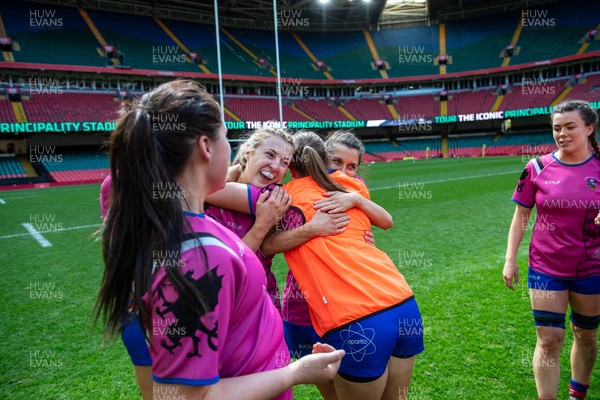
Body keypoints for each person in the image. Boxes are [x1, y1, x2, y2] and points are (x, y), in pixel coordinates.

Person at [94, 79, 344, 400]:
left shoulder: (172, 219)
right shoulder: (199, 255)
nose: (233, 152)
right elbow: (187, 397)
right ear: (206, 147)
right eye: (227, 138)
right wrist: (296, 372)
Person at [264, 131, 423, 400]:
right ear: (320, 156)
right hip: (399, 301)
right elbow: (382, 222)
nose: (344, 172)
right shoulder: (352, 187)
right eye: (337, 162)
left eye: (352, 166)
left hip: (351, 314)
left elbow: (266, 244)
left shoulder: (291, 196)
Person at [503, 100, 600, 400]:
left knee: (585, 335)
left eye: (571, 126)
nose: (562, 133)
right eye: (557, 128)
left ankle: (577, 394)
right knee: (549, 339)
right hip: (546, 267)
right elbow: (520, 217)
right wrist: (510, 260)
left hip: (592, 268)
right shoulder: (537, 168)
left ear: (589, 128)